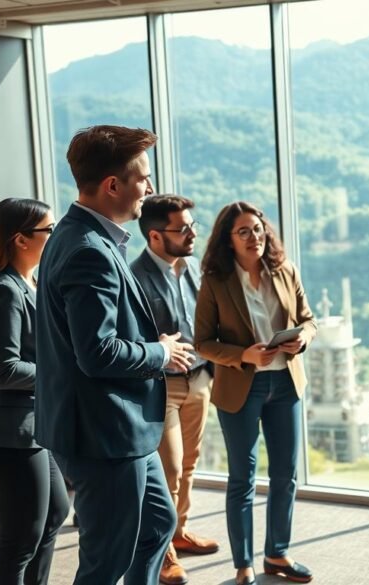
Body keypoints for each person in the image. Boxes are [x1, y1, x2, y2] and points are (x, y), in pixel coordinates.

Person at [34, 125, 194, 584]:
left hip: (120, 428)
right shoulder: (88, 250)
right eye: (142, 177)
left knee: (157, 527)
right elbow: (97, 352)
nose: (149, 187)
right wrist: (159, 352)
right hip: (104, 434)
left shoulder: (83, 236)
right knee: (106, 561)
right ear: (112, 186)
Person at [194, 201, 317, 585]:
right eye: (244, 231)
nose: (254, 237)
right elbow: (202, 342)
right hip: (240, 387)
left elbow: (308, 320)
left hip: (285, 384)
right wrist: (242, 355)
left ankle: (277, 554)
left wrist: (302, 340)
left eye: (258, 228)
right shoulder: (216, 281)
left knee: (285, 474)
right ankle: (243, 564)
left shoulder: (284, 270)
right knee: (242, 478)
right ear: (228, 241)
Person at [0, 198, 69, 585]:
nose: (55, 236)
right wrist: (64, 372)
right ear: (21, 239)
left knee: (54, 514)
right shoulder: (2, 290)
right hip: (6, 432)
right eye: (48, 230)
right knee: (20, 537)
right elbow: (5, 371)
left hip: (30, 426)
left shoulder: (30, 283)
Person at [130, 194, 219, 585]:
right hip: (160, 386)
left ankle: (179, 532)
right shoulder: (134, 276)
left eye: (192, 226)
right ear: (154, 236)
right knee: (167, 471)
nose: (191, 233)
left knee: (188, 464)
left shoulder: (195, 269)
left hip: (199, 378)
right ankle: (162, 551)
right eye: (181, 229)